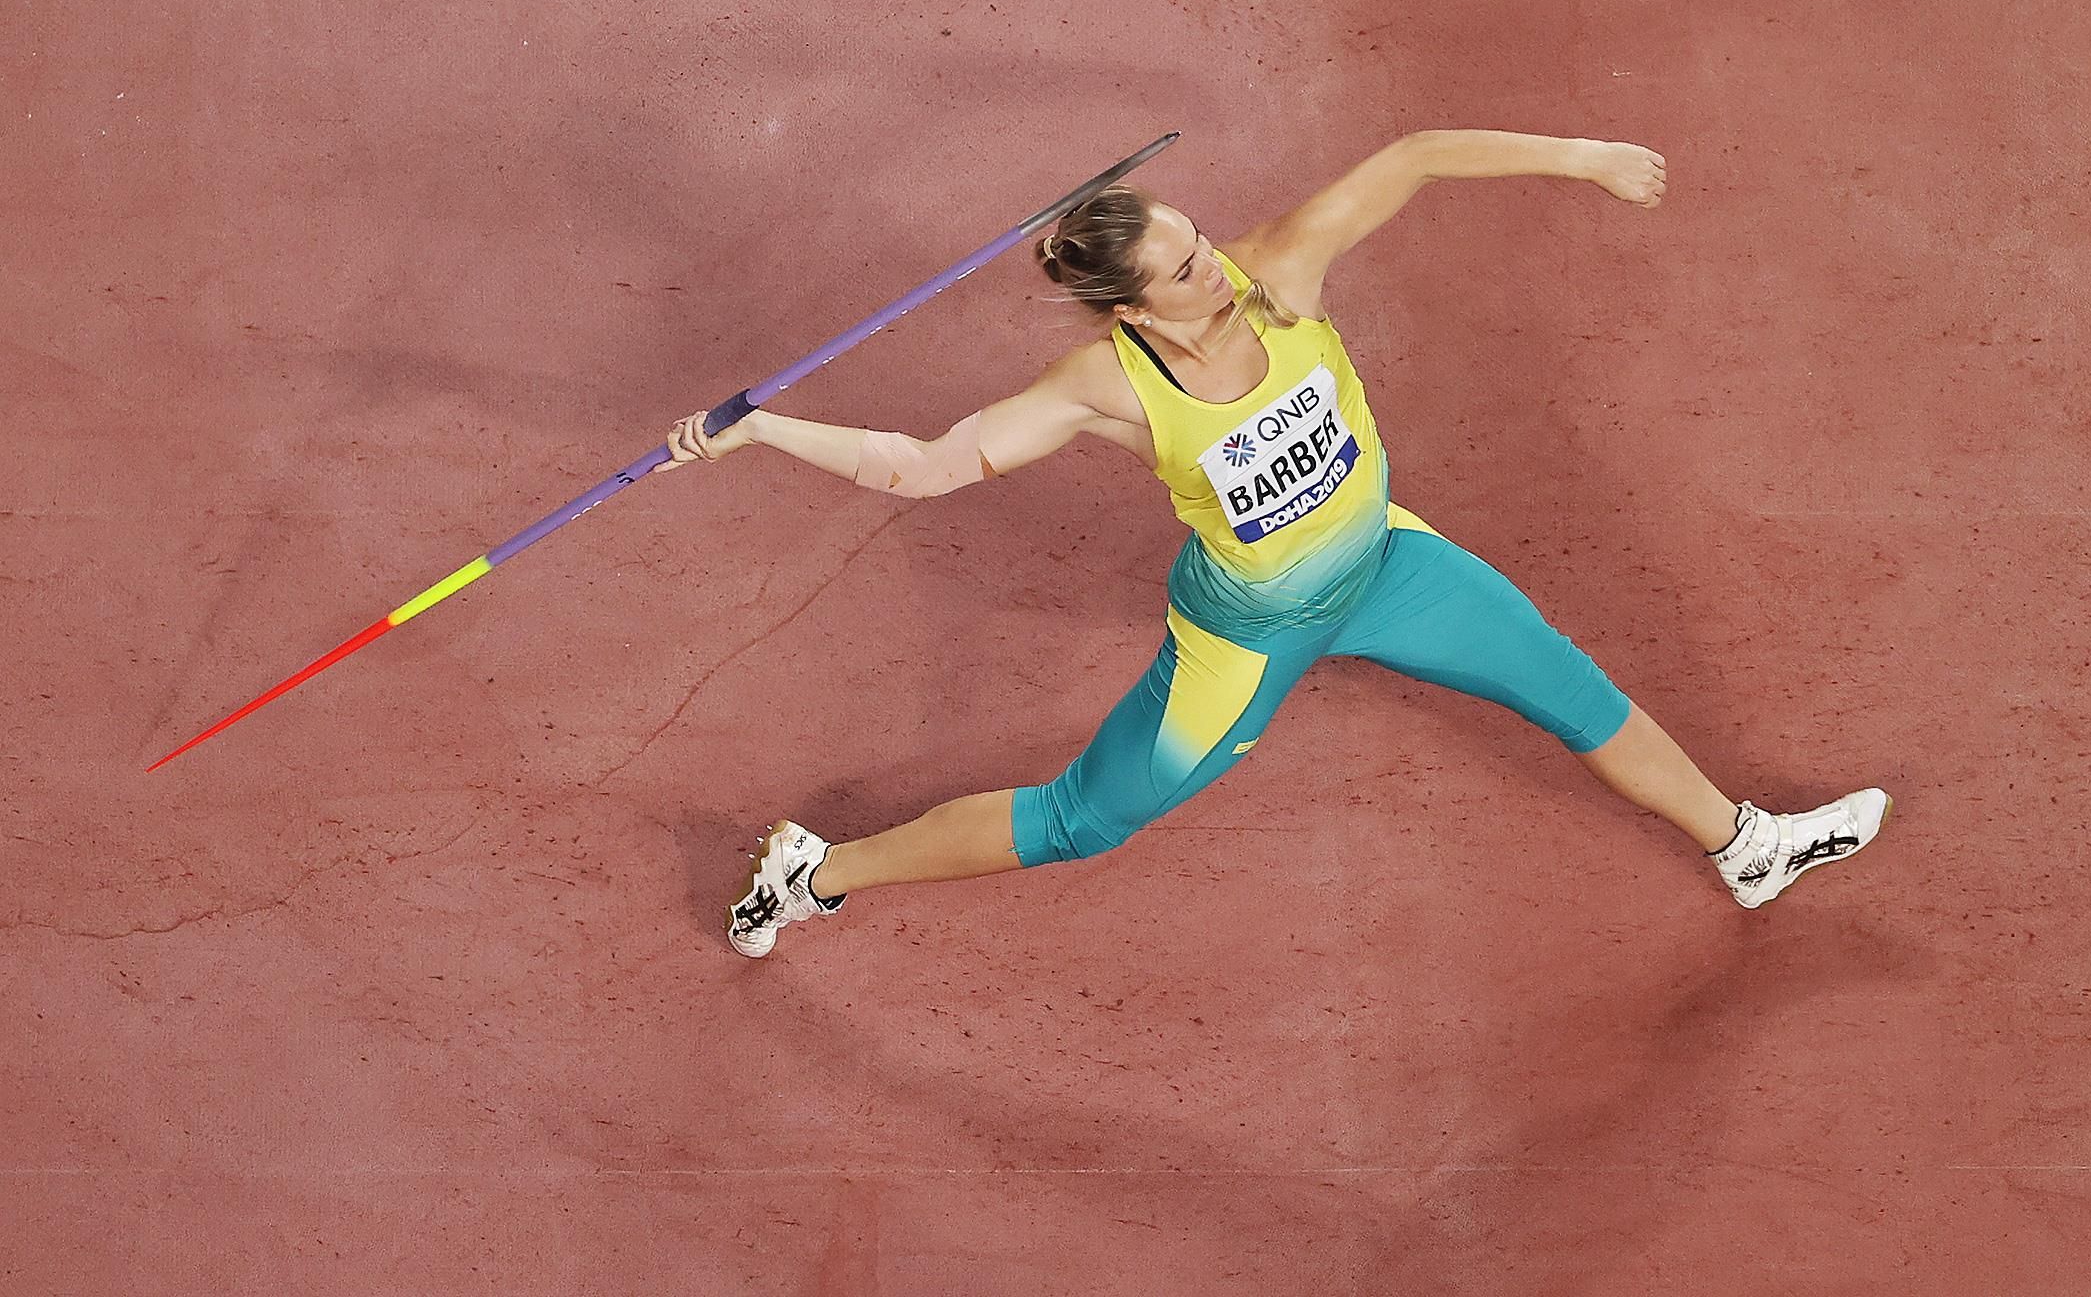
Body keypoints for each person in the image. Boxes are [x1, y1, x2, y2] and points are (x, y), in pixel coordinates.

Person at [656, 129, 1888, 959]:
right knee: (1085, 820)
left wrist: (1584, 157)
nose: (1222, 267)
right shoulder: (1106, 386)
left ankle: (1748, 846)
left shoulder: (1280, 275)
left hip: (1387, 567)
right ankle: (817, 874)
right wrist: (764, 432)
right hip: (1245, 635)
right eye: (1189, 269)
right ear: (1137, 308)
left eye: (1204, 240)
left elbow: (1412, 156)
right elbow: (920, 467)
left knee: (1570, 685)